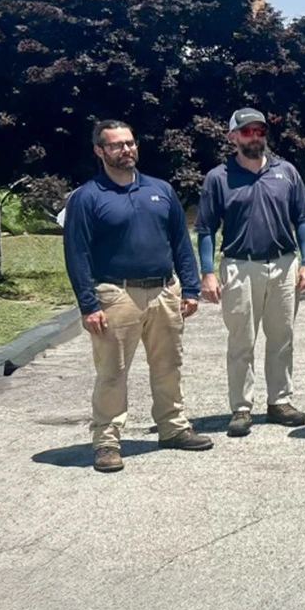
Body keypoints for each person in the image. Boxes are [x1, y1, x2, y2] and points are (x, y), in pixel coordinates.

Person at [64, 120, 210, 473]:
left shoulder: (160, 190)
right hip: (116, 295)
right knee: (113, 371)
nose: (125, 150)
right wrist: (88, 305)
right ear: (100, 151)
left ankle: (173, 428)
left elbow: (180, 242)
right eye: (116, 145)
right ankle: (107, 441)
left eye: (130, 143)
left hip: (164, 291)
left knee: (168, 365)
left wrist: (189, 288)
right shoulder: (87, 197)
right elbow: (76, 254)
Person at [195, 108, 305, 438]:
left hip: (283, 264)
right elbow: (205, 229)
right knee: (241, 341)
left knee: (282, 337)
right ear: (233, 137)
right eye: (246, 132)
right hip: (239, 265)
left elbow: (302, 220)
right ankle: (241, 408)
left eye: (259, 131)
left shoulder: (286, 172)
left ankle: (280, 401)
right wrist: (207, 272)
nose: (255, 137)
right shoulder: (218, 177)